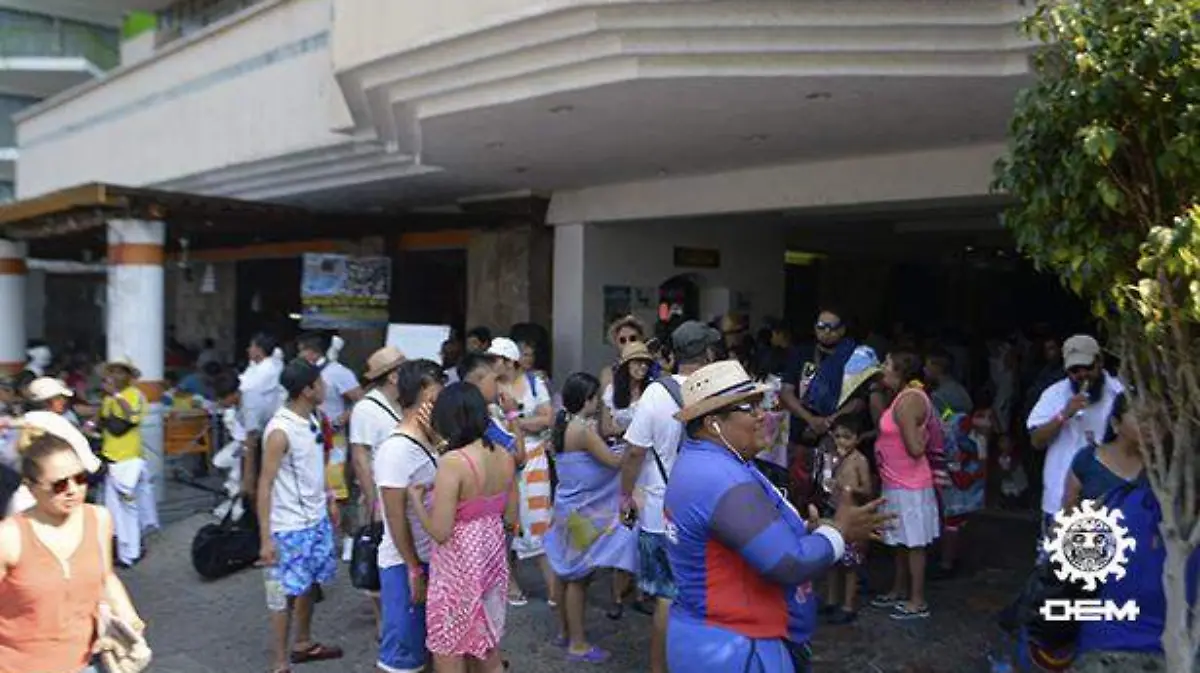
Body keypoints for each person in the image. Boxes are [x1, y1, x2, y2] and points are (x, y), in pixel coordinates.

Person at [664, 360, 889, 672]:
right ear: (713, 423)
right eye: (749, 407)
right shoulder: (719, 476)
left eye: (762, 403)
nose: (763, 415)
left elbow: (739, 534)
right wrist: (838, 532)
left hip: (719, 639)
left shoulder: (711, 463)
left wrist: (804, 530)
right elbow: (788, 562)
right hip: (735, 648)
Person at [0, 418, 146, 673]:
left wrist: (130, 620)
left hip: (89, 662)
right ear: (31, 487)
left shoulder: (98, 518)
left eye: (80, 478)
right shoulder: (9, 537)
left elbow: (106, 578)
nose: (73, 490)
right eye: (59, 484)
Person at [620, 320, 721, 673]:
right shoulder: (717, 391)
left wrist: (625, 496)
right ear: (708, 354)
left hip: (661, 510)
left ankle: (659, 668)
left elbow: (634, 452)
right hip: (708, 509)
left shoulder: (655, 394)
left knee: (667, 596)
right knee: (706, 592)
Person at [408, 383, 518, 673]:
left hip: (458, 567)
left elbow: (440, 532)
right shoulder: (504, 456)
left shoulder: (453, 463)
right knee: (487, 644)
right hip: (491, 557)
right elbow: (511, 516)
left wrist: (417, 501)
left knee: (449, 646)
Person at [257, 359, 344, 673]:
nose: (325, 387)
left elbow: (317, 465)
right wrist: (266, 539)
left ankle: (303, 643)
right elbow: (264, 485)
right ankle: (280, 662)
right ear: (307, 390)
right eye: (319, 383)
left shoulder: (314, 418)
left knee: (308, 585)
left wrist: (329, 498)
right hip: (287, 527)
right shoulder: (279, 431)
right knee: (280, 594)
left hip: (315, 520)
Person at [544, 373, 637, 663]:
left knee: (565, 572)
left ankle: (564, 632)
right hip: (582, 512)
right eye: (596, 398)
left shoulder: (561, 423)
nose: (598, 403)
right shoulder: (582, 430)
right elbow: (615, 461)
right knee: (579, 578)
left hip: (565, 506)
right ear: (587, 399)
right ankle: (578, 643)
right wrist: (636, 442)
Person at [374, 359, 445, 673]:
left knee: (429, 648)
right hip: (405, 563)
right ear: (425, 394)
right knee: (403, 655)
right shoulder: (396, 450)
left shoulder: (431, 439)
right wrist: (414, 568)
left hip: (433, 556)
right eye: (439, 392)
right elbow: (394, 517)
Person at [1026, 335, 1123, 546]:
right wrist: (1064, 414)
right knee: (1057, 562)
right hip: (1059, 499)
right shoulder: (1054, 394)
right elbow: (1036, 441)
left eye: (1087, 367)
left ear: (1100, 362)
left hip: (1106, 502)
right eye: (1074, 370)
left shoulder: (1119, 394)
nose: (1082, 375)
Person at [870, 351, 941, 620]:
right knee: (900, 540)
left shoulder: (909, 401)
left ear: (900, 370)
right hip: (896, 481)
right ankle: (899, 589)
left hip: (909, 485)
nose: (883, 368)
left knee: (914, 543)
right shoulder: (901, 397)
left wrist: (921, 437)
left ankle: (917, 600)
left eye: (887, 364)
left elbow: (915, 448)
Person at [487, 337, 556, 603]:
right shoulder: (489, 385)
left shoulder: (533, 383)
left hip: (534, 458)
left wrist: (514, 419)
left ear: (509, 361)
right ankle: (510, 582)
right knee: (506, 521)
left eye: (494, 359)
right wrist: (523, 422)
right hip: (501, 457)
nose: (491, 364)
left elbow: (547, 418)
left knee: (539, 519)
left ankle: (553, 588)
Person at [779, 307, 862, 509]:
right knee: (798, 491)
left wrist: (828, 422)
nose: (825, 331)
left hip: (837, 437)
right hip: (802, 433)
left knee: (833, 495)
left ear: (842, 330)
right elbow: (786, 392)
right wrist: (810, 419)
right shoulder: (801, 353)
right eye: (820, 326)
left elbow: (859, 400)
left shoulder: (853, 357)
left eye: (831, 327)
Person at [297, 332, 364, 558]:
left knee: (338, 490)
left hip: (335, 441)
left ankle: (348, 538)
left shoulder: (338, 372)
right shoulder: (304, 374)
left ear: (312, 352)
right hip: (311, 438)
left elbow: (360, 400)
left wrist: (342, 418)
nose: (299, 355)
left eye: (301, 350)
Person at [97, 359, 158, 567]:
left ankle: (132, 551)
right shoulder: (108, 398)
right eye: (112, 372)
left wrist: (116, 395)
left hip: (129, 459)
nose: (114, 376)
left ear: (128, 376)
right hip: (111, 456)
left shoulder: (135, 395)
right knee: (115, 509)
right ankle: (124, 549)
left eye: (120, 372)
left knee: (129, 507)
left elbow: (131, 417)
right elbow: (102, 419)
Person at [820, 416, 872, 625]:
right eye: (838, 436)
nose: (841, 441)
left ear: (857, 439)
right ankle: (831, 600)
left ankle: (848, 605)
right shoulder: (833, 458)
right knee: (833, 559)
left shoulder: (859, 461)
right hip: (834, 510)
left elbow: (867, 489)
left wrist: (848, 488)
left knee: (851, 563)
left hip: (852, 514)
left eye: (847, 437)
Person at [1062, 393, 1143, 512]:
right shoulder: (1087, 459)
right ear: (1115, 423)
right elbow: (1068, 513)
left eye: (1157, 418)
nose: (1149, 425)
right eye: (1141, 418)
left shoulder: (1161, 470)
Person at [239, 333, 286, 500]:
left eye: (251, 346)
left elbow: (250, 396)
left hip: (262, 427)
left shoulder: (265, 371)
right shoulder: (263, 366)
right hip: (261, 425)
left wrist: (250, 431)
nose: (248, 350)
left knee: (261, 470)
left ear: (259, 350)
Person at [924, 350, 973, 415]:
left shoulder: (938, 396)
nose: (924, 369)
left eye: (927, 366)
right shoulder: (959, 388)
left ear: (937, 368)